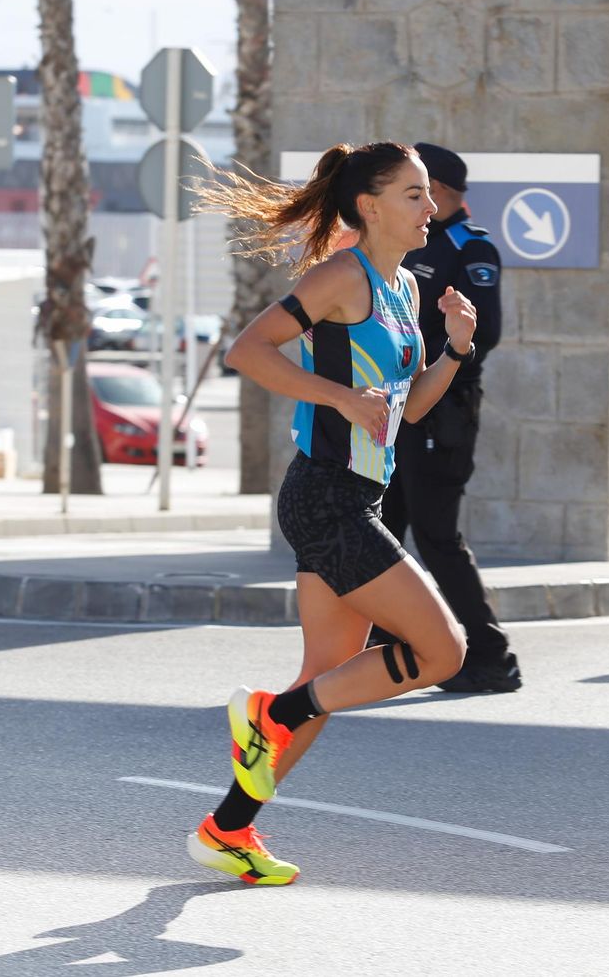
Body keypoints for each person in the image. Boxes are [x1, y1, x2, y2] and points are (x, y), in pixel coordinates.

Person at [184, 142, 478, 885]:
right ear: (370, 206)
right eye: (414, 194)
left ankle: (227, 828)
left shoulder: (404, 287)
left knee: (325, 675)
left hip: (357, 494)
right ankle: (273, 715)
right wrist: (340, 398)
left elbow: (410, 410)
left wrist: (455, 350)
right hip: (325, 496)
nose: (431, 207)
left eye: (428, 194)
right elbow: (249, 350)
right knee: (443, 652)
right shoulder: (342, 276)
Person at [377, 142, 519, 694]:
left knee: (436, 536)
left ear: (437, 190)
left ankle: (490, 657)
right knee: (382, 532)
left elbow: (485, 334)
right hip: (397, 410)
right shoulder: (409, 243)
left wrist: (427, 365)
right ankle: (381, 651)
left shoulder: (468, 246)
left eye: (416, 187)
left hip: (442, 414)